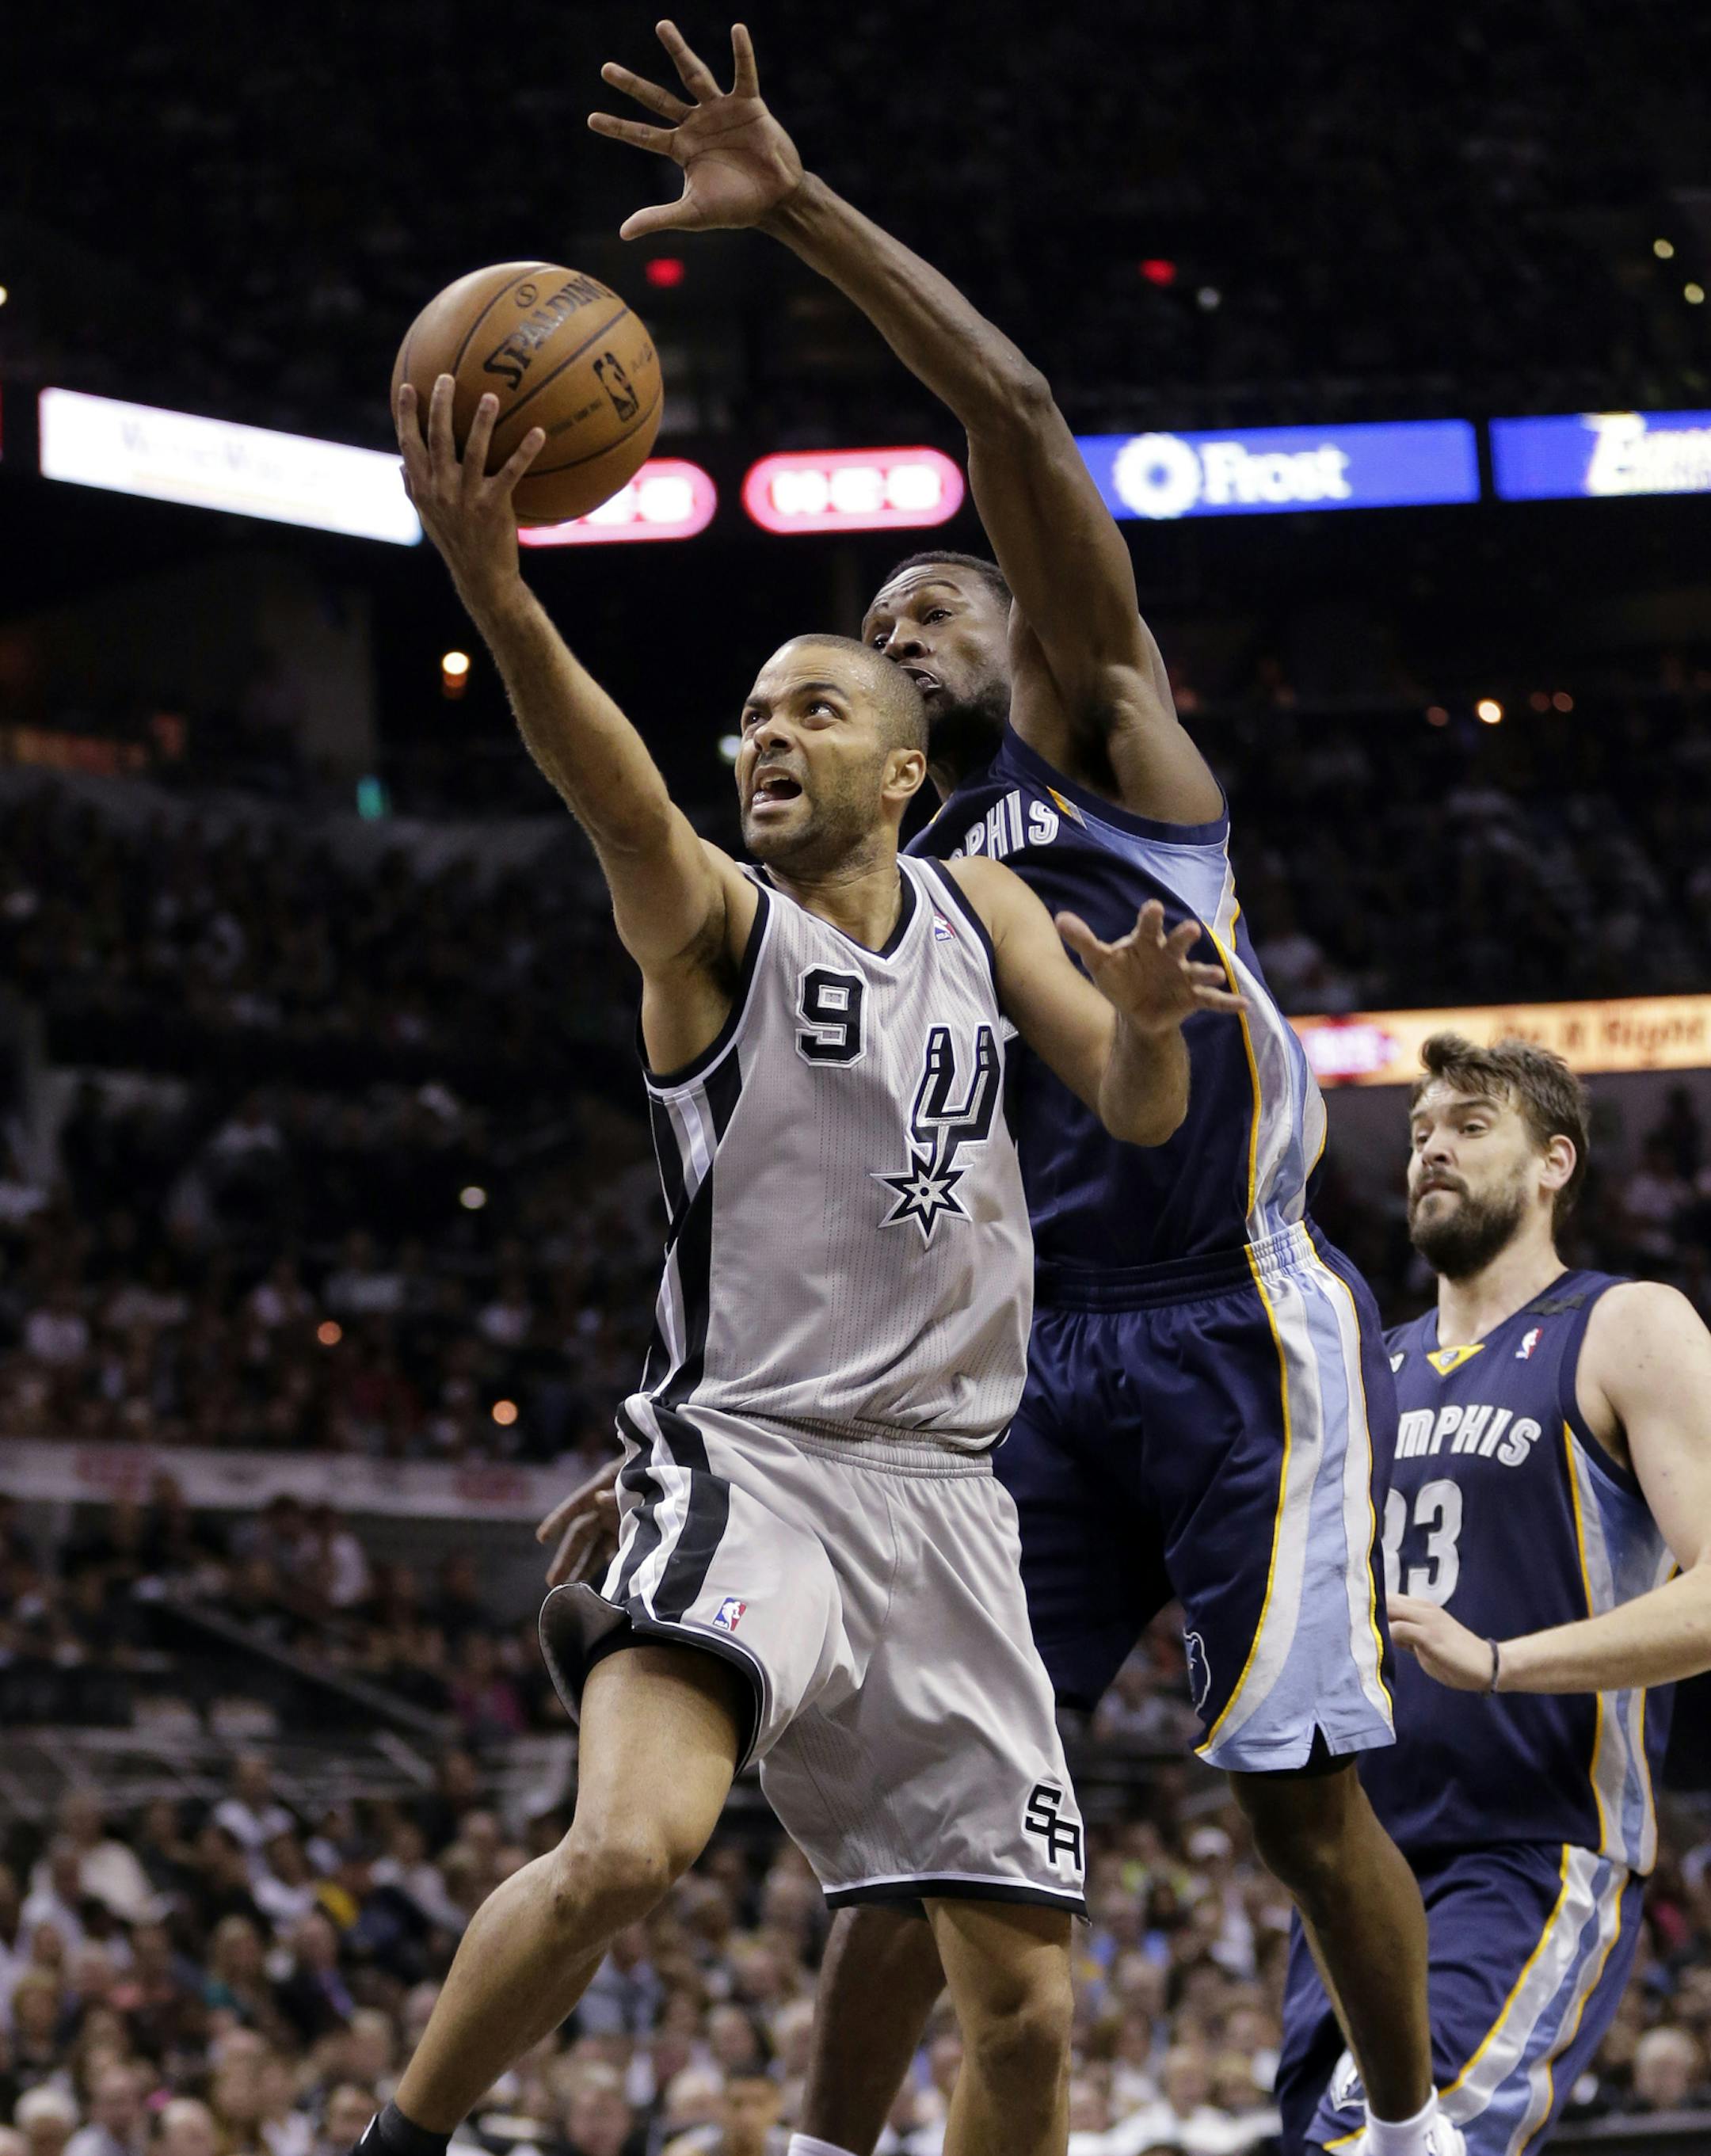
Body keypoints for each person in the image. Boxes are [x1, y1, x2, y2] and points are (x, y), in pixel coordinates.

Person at [584, 24, 1446, 2156]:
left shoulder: (1115, 757)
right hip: (1009, 1375)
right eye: (882, 620)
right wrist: (691, 1437)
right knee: (935, 1835)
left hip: (1233, 1320)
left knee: (1291, 1790)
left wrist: (796, 215)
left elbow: (1017, 410)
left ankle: (1418, 2127)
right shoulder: (868, 898)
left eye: (941, 594)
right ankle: (827, 2143)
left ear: (1020, 632)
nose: (911, 617)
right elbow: (769, 1191)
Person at [360, 362, 1237, 2156]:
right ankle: (399, 2140)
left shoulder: (987, 905)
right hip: (754, 1459)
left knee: (1028, 2016)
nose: (765, 736)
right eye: (752, 714)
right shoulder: (709, 927)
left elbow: (1138, 1110)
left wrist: (1152, 1024)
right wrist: (499, 591)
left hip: (953, 1497)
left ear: (905, 766)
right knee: (629, 1848)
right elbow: (610, 788)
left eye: (812, 710)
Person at [1278, 1034, 1711, 2151]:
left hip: (1526, 1849)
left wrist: (1506, 1660)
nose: (1433, 1149)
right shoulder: (1369, 1361)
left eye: (1471, 1126)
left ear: (1555, 1161)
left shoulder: (1627, 1324)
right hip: (1354, 1856)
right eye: (1422, 1131)